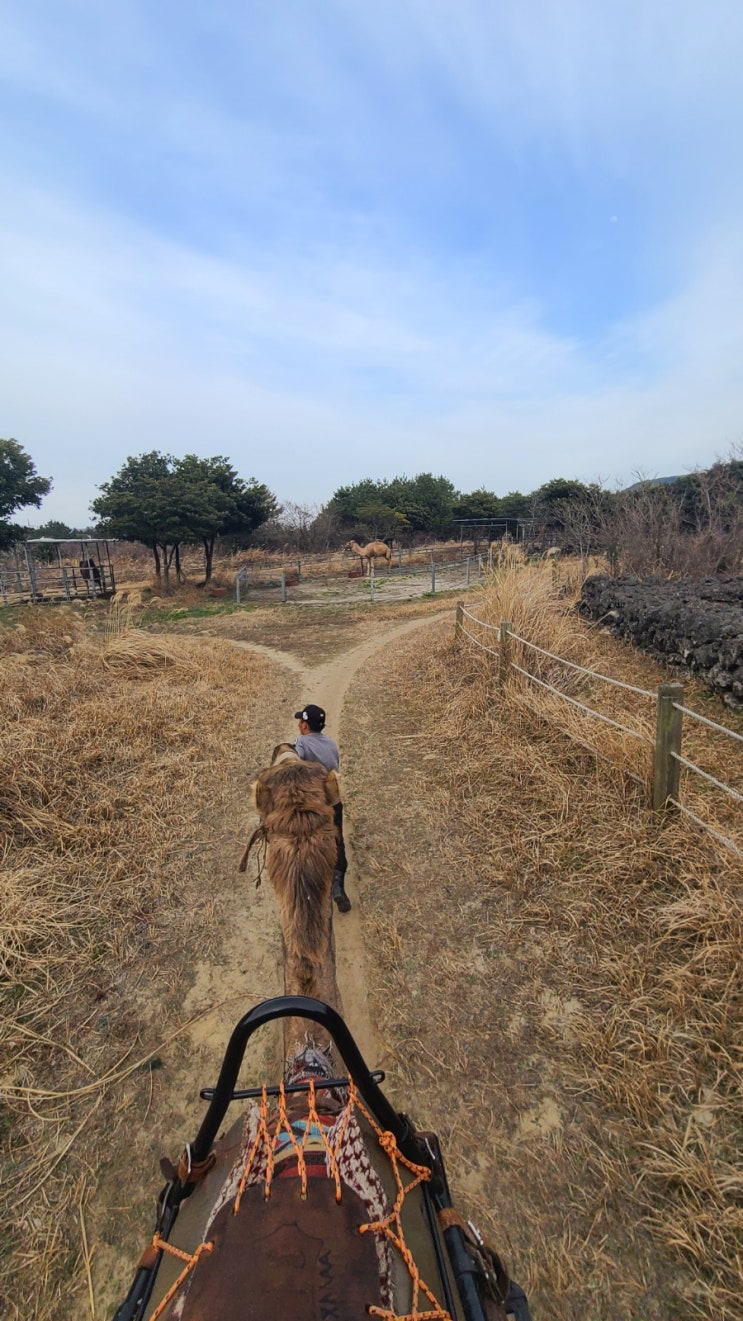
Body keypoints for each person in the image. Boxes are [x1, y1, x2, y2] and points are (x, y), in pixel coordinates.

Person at [294, 704, 351, 913]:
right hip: (333, 798)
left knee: (309, 843)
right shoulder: (331, 744)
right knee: (337, 840)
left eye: (301, 721)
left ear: (305, 725)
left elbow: (292, 762)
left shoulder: (300, 743)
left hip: (314, 803)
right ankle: (338, 884)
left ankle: (313, 890)